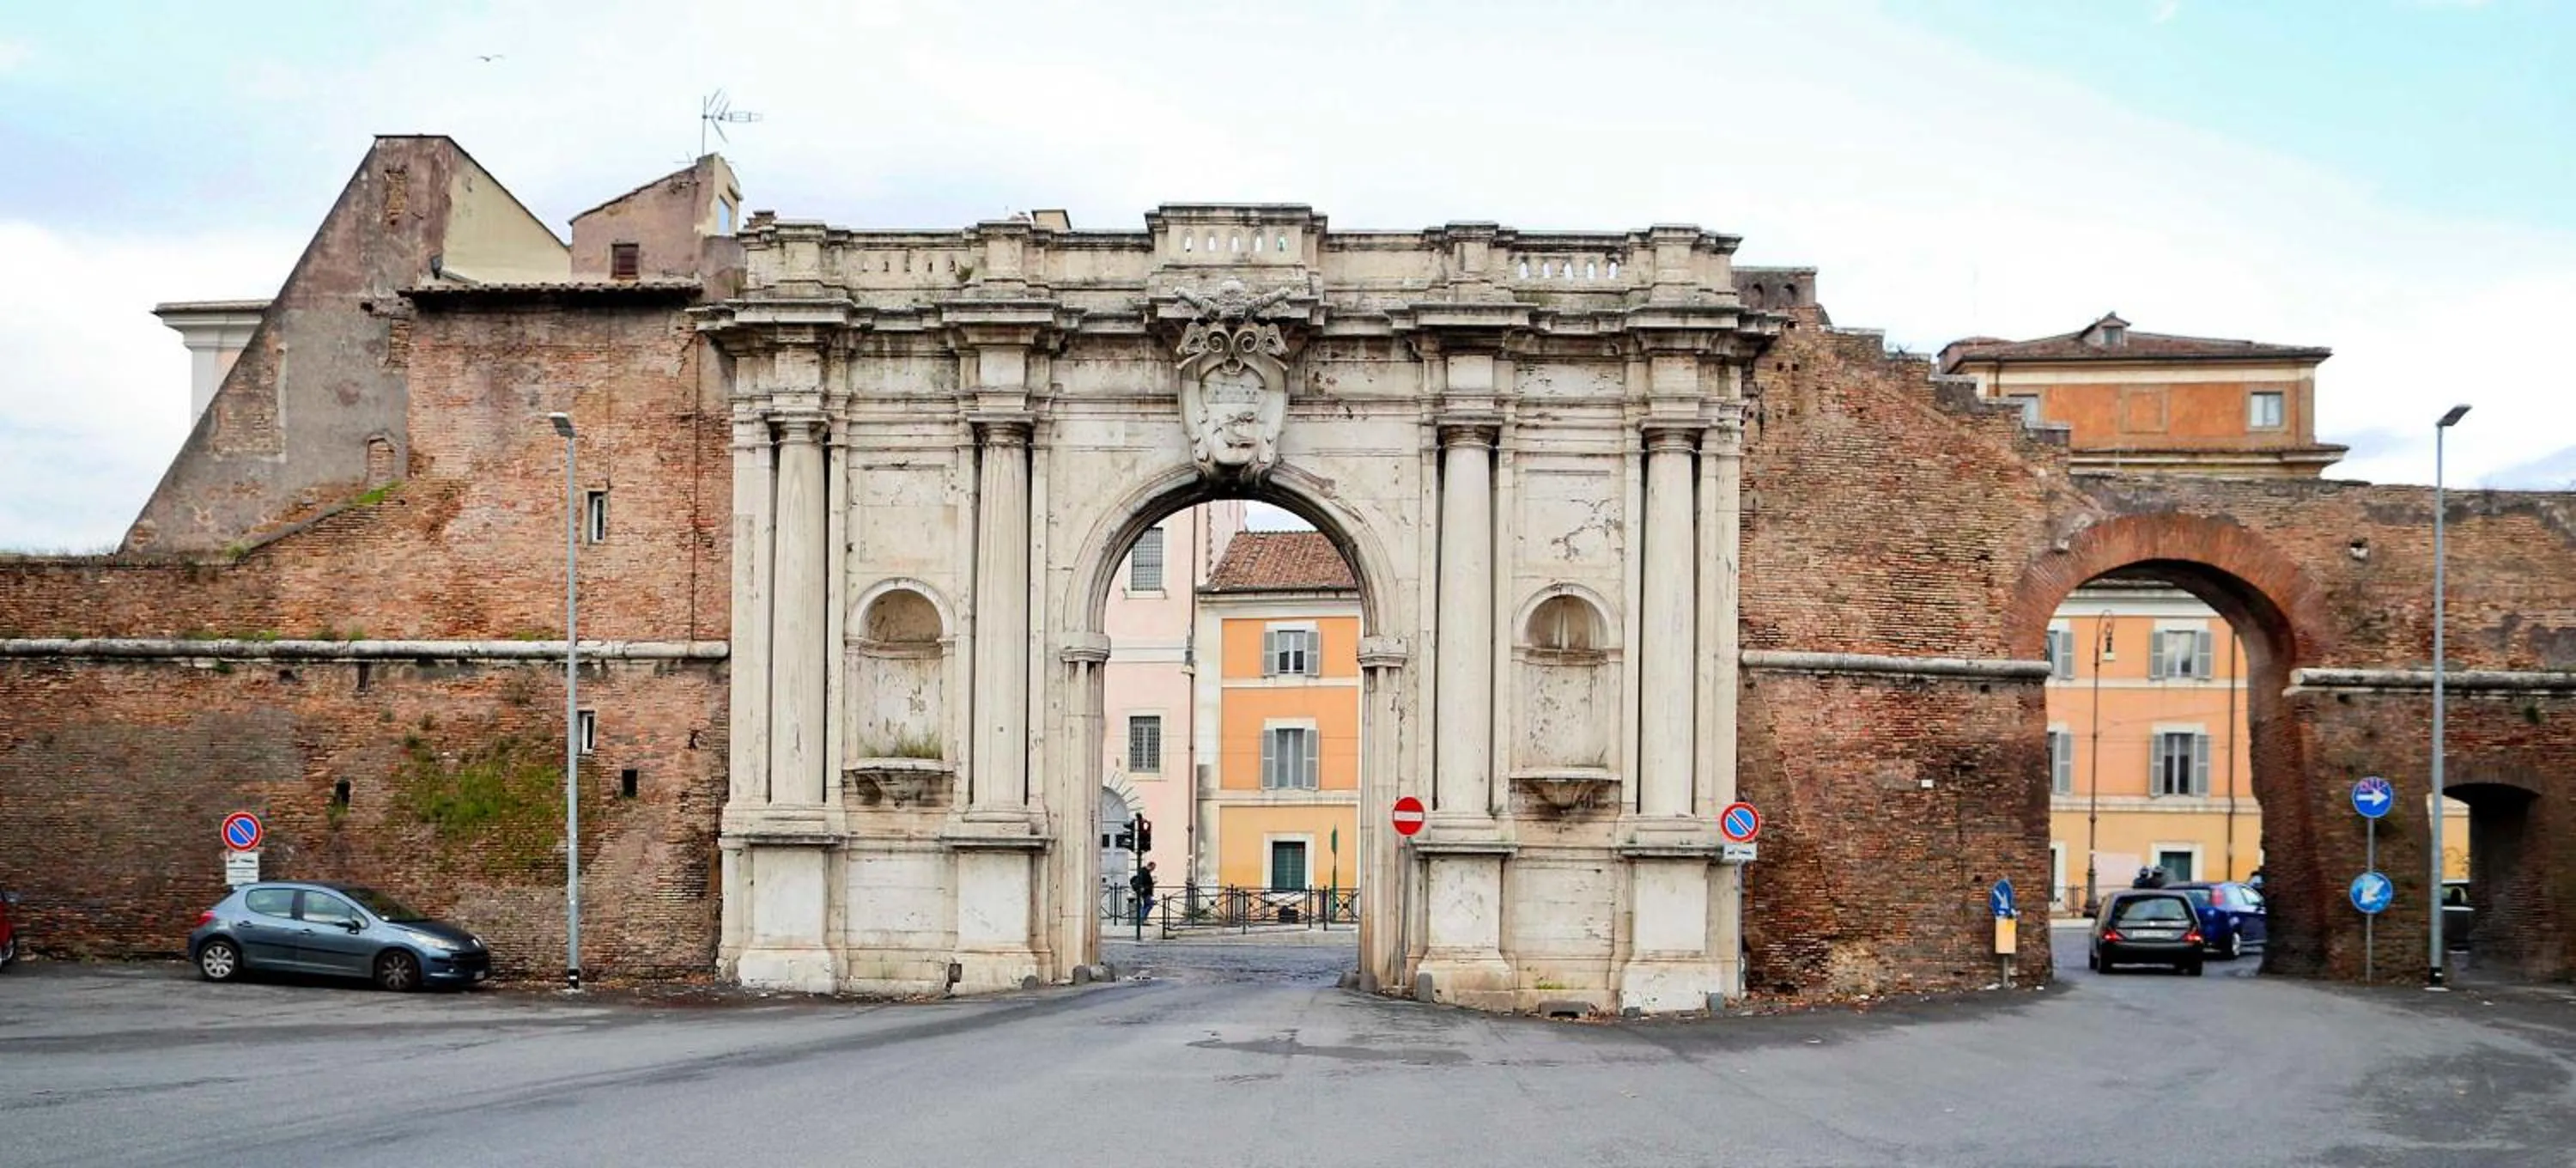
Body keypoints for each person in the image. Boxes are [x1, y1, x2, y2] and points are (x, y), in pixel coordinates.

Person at [1129, 861, 1157, 928]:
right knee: (1150, 904)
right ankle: (1142, 918)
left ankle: (1143, 919)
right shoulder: (1144, 872)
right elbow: (1144, 882)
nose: (1154, 869)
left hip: (1145, 891)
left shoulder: (1144, 872)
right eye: (1153, 867)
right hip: (1145, 892)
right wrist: (1152, 883)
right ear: (1150, 866)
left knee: (1146, 905)